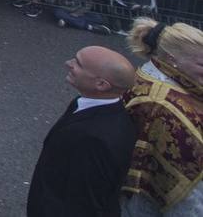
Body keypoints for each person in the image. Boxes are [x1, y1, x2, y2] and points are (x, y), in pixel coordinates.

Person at [25, 45, 137, 217]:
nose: (68, 64)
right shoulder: (90, 105)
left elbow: (85, 204)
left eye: (78, 64)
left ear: (101, 84)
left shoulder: (95, 140)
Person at [121, 19, 203, 216]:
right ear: (172, 58)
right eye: (201, 63)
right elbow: (187, 194)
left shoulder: (153, 73)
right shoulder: (162, 105)